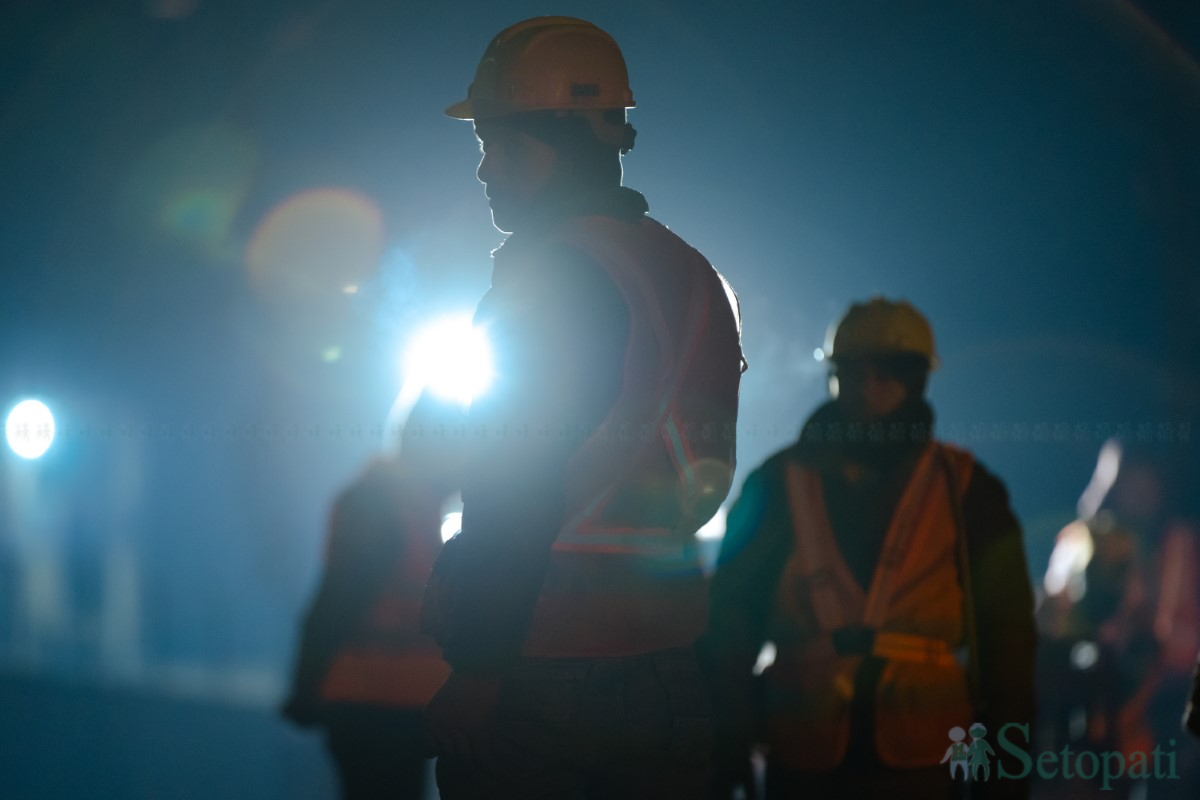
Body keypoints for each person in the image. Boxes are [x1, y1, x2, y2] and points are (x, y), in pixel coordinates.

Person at [419, 16, 745, 800]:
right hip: (673, 664)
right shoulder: (689, 269)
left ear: (566, 136)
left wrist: (479, 666)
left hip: (546, 670)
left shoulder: (551, 279)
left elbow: (515, 482)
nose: (485, 169)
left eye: (501, 144)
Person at [702, 298, 1036, 799]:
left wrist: (1006, 768)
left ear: (919, 378)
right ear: (834, 375)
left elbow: (1006, 637)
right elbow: (729, 620)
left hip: (923, 756)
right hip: (804, 754)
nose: (870, 386)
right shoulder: (774, 485)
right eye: (855, 371)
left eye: (890, 372)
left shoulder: (968, 489)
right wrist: (727, 743)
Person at [281, 392, 463, 800]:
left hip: (392, 703)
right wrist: (306, 684)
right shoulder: (380, 504)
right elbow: (339, 598)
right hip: (373, 704)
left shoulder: (413, 505)